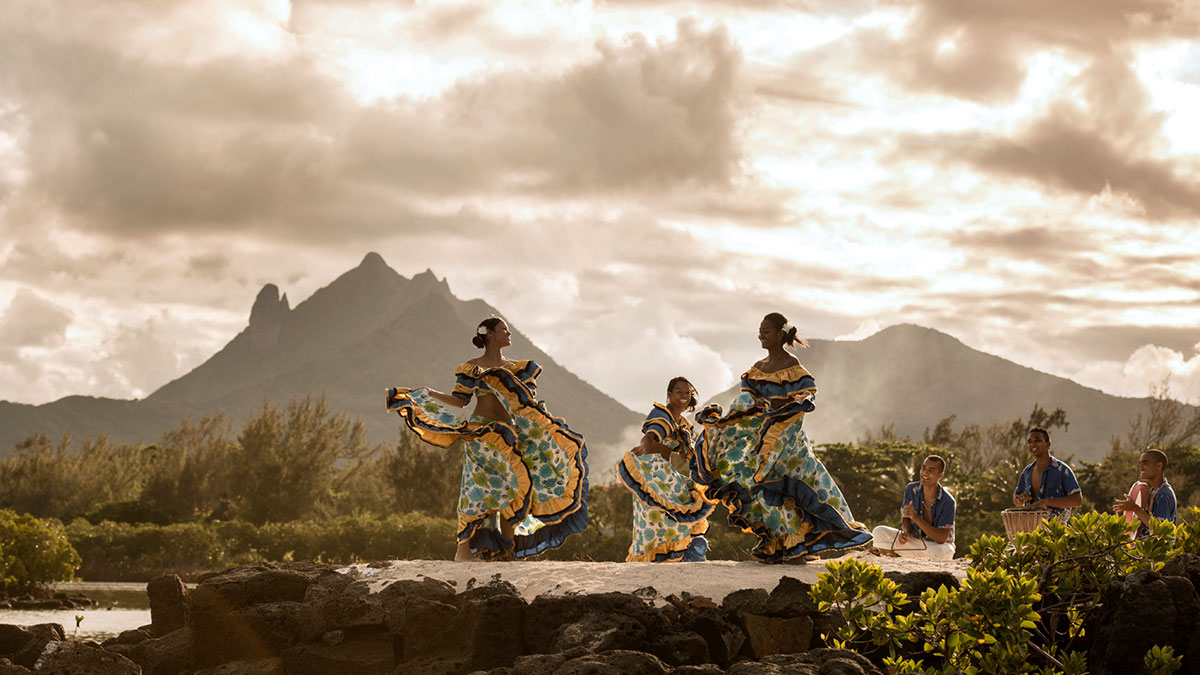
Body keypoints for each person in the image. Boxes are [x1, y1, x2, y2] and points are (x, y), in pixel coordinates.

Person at [386, 317, 588, 561]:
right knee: (477, 489)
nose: (509, 333)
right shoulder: (472, 367)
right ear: (490, 334)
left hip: (509, 435)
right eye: (504, 329)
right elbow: (460, 400)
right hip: (482, 434)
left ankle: (509, 550)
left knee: (512, 488)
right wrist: (431, 393)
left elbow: (525, 404)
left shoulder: (518, 369)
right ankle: (463, 550)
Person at [692, 312, 872, 563]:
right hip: (759, 439)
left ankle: (797, 547)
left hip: (786, 442)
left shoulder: (793, 368)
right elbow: (746, 403)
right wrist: (726, 422)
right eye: (759, 330)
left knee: (788, 491)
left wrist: (777, 407)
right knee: (756, 489)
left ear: (780, 334)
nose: (760, 335)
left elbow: (804, 400)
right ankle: (778, 545)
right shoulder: (757, 369)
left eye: (766, 331)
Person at [617, 377, 715, 562]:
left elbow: (690, 453)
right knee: (662, 513)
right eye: (679, 392)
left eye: (687, 392)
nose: (684, 396)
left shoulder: (683, 423)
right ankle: (679, 551)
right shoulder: (662, 414)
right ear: (669, 394)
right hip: (652, 469)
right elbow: (649, 437)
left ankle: (686, 549)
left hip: (664, 470)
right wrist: (643, 448)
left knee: (689, 495)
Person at [870, 455, 956, 560]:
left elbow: (941, 538)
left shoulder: (948, 502)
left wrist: (915, 517)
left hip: (937, 548)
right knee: (879, 532)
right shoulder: (911, 489)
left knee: (942, 551)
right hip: (914, 544)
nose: (925, 473)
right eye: (923, 468)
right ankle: (889, 564)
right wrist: (906, 533)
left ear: (940, 475)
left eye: (931, 470)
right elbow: (906, 517)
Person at [1013, 427, 1082, 520]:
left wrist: (1046, 502)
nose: (1033, 444)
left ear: (1048, 444)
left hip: (1056, 531)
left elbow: (1077, 500)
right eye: (1030, 442)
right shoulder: (1027, 472)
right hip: (1030, 530)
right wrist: (1019, 499)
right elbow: (1016, 498)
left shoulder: (1062, 470)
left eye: (1037, 440)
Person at [1112, 449, 1177, 538]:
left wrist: (1135, 508)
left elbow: (1159, 530)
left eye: (1145, 464)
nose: (1141, 468)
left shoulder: (1164, 494)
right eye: (1140, 464)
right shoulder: (1154, 491)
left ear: (1159, 466)